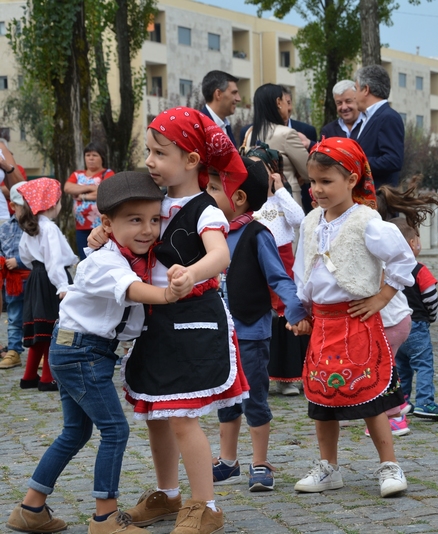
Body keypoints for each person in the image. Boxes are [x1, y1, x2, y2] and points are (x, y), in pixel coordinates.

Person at [88, 108, 250, 534]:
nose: (149, 161)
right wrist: (105, 234)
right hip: (154, 320)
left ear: (192, 160)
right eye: (148, 151)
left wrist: (191, 272)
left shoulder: (206, 209)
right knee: (158, 414)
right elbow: (134, 236)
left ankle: (205, 504)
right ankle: (169, 495)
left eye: (159, 153)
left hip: (193, 318)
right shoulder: (155, 203)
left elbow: (220, 254)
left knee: (181, 417)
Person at [5, 172, 181, 534]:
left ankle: (30, 508)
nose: (148, 230)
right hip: (82, 351)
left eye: (153, 220)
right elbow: (129, 289)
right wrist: (167, 295)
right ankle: (105, 518)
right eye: (135, 220)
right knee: (114, 430)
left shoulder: (117, 251)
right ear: (105, 223)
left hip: (77, 348)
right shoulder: (106, 262)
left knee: (75, 432)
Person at [292, 137, 416, 498]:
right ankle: (328, 467)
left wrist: (383, 296)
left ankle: (389, 464)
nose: (317, 190)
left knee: (369, 396)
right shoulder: (311, 221)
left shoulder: (367, 221)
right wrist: (301, 310)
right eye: (313, 182)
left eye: (326, 181)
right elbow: (304, 269)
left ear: (351, 179)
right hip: (322, 323)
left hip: (356, 321)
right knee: (321, 399)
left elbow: (402, 259)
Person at [204, 159, 310, 492]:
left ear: (237, 199)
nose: (206, 194)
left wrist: (295, 311)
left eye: (213, 188)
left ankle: (260, 462)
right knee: (225, 398)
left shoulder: (256, 233)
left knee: (254, 399)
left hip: (250, 332)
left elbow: (280, 277)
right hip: (221, 335)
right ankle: (228, 460)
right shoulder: (209, 233)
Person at [243, 144, 308, 397]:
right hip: (253, 259)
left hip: (282, 260)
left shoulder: (281, 199)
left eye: (261, 166)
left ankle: (289, 377)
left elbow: (299, 218)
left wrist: (279, 189)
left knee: (286, 314)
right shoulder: (246, 198)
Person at [18, 179, 79, 392]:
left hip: (36, 277)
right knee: (53, 327)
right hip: (50, 280)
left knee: (39, 329)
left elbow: (24, 256)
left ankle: (28, 376)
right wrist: (62, 285)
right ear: (52, 203)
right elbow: (54, 260)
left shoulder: (30, 227)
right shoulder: (49, 228)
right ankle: (47, 378)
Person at [389, 218, 438, 421]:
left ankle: (402, 400)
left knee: (401, 365)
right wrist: (431, 316)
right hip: (416, 324)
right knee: (423, 364)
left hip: (395, 326)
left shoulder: (386, 270)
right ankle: (425, 402)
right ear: (413, 243)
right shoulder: (419, 269)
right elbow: (431, 296)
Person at [242, 84, 308, 207]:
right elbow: (309, 172)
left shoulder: (250, 132)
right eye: (285, 101)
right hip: (286, 199)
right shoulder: (287, 133)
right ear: (278, 102)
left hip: (260, 200)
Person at [353, 65, 405, 189]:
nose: (354, 96)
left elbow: (393, 160)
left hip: (379, 200)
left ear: (366, 89)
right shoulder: (366, 118)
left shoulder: (388, 117)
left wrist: (356, 162)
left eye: (355, 89)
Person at [64, 142, 115, 259]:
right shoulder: (77, 174)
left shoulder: (108, 173)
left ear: (102, 157)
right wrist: (91, 187)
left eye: (94, 155)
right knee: (84, 259)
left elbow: (105, 192)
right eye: (88, 155)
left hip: (101, 226)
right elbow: (68, 187)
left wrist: (82, 196)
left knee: (102, 257)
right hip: (81, 226)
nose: (91, 158)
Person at [0, 183, 30, 370]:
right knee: (14, 316)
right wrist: (4, 262)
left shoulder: (38, 226)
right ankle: (14, 350)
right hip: (13, 281)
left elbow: (40, 252)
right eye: (22, 206)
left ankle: (42, 349)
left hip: (34, 278)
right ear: (13, 206)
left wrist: (19, 260)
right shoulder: (4, 229)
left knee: (38, 316)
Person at [200, 70, 241, 144]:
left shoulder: (226, 126)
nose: (238, 99)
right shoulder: (199, 127)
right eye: (234, 93)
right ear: (218, 94)